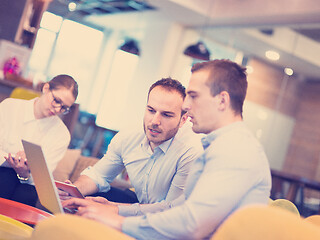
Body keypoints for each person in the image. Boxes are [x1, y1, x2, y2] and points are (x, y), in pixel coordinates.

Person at [63, 59, 272, 239]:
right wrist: (112, 211)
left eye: (194, 96)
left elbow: (191, 224)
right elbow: (184, 212)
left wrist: (117, 220)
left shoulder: (235, 153)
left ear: (222, 100)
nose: (187, 106)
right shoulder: (222, 147)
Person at [60, 78, 202, 208]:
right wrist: (74, 190)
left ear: (183, 119)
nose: (154, 121)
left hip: (173, 225)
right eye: (151, 110)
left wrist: (112, 208)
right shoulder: (128, 137)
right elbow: (99, 175)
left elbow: (170, 212)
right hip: (141, 207)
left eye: (166, 115)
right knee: (89, 198)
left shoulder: (190, 151)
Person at [0, 74, 78, 207]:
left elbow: (41, 180)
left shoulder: (62, 134)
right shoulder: (10, 107)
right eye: (57, 101)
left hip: (26, 187)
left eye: (64, 108)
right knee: (7, 177)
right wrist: (12, 161)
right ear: (46, 88)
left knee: (27, 191)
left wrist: (24, 173)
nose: (58, 109)